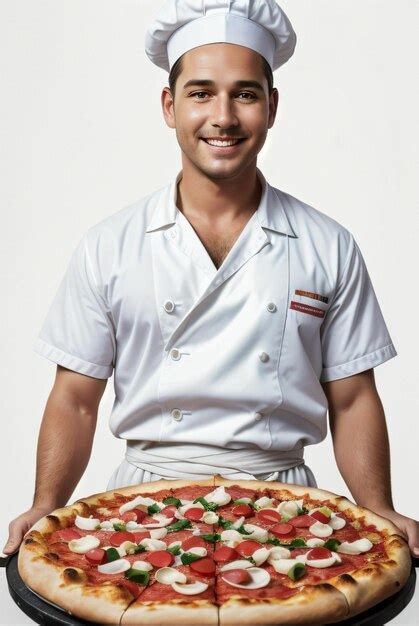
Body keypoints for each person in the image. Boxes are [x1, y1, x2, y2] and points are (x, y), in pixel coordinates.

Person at [4, 0, 419, 558]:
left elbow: (351, 399)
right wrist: (46, 503)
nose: (222, 117)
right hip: (141, 501)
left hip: (286, 505)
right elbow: (76, 399)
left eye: (244, 94)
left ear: (271, 107)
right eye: (201, 93)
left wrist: (378, 506)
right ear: (169, 106)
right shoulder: (110, 245)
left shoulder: (329, 245)